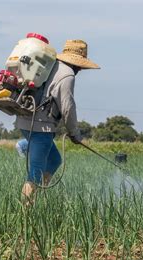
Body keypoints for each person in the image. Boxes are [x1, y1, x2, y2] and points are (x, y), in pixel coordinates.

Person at [15, 39, 100, 199]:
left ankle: (39, 197)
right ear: (78, 63)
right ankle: (24, 216)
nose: (81, 69)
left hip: (25, 121)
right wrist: (75, 134)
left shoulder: (51, 64)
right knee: (35, 173)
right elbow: (68, 107)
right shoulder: (67, 74)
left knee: (54, 159)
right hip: (41, 127)